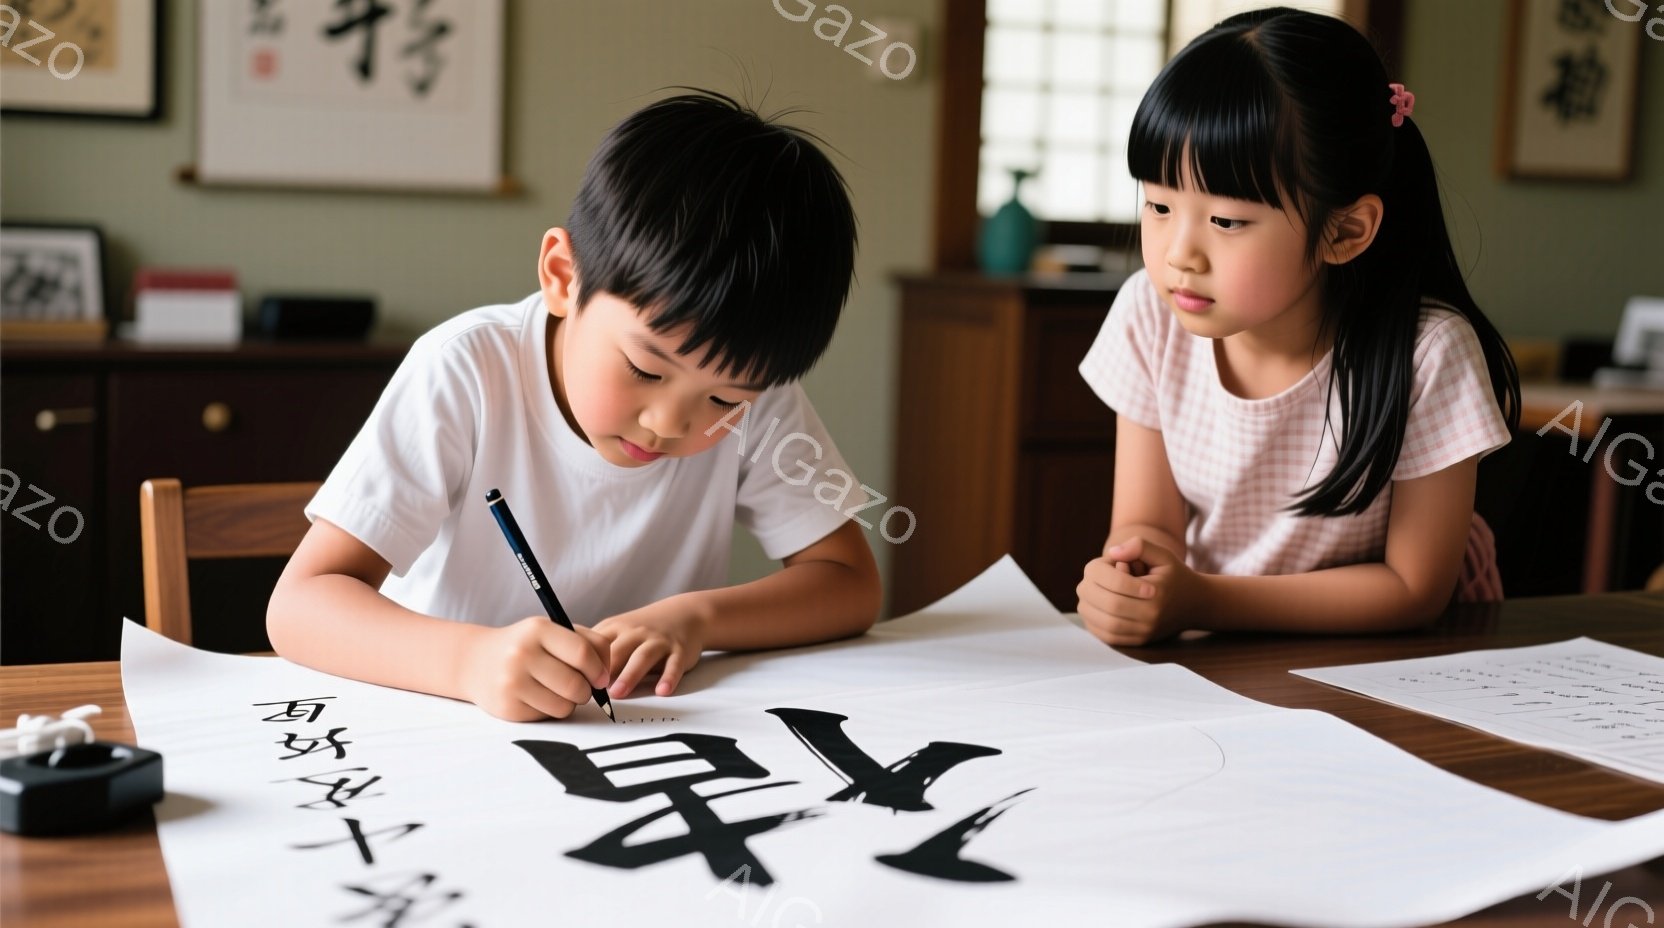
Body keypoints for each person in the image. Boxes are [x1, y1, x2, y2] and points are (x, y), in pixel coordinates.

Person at [268, 91, 881, 719]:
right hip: (447, 723)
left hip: (643, 732)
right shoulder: (467, 370)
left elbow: (850, 582)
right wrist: (471, 662)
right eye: (645, 368)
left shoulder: (758, 392)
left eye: (723, 399)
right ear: (563, 276)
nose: (670, 422)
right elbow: (300, 606)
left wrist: (697, 617)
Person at [1076, 7, 1520, 646]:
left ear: (1344, 232)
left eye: (1226, 221)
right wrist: (1136, 576)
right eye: (1159, 206)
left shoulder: (1428, 351)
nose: (1179, 254)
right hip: (1228, 645)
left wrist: (1202, 598)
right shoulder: (1149, 313)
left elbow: (1413, 588)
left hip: (1403, 658)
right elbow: (1149, 525)